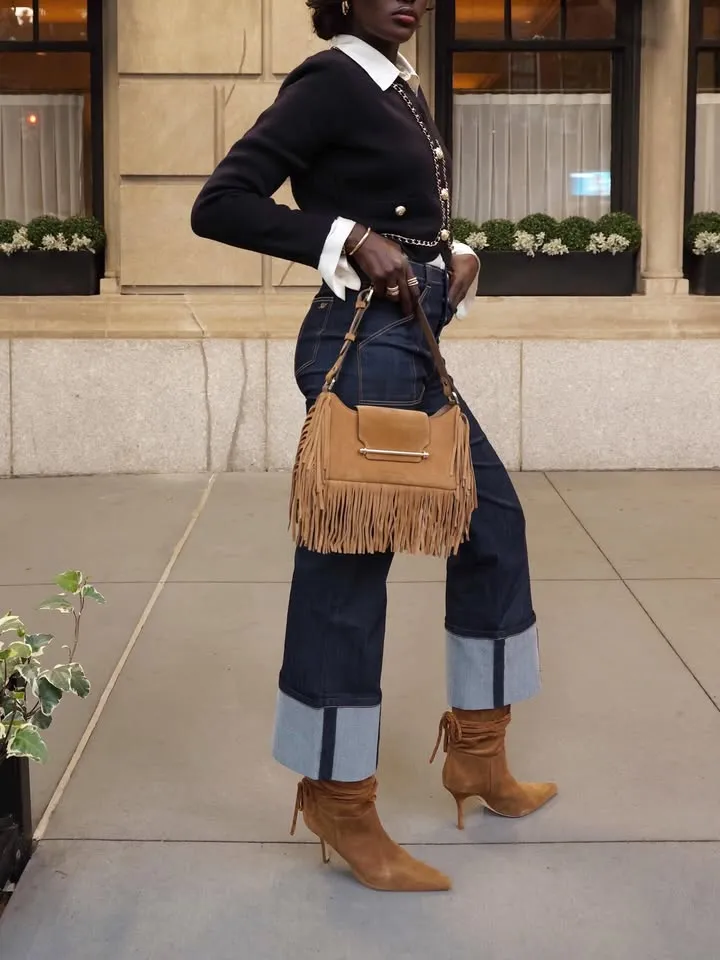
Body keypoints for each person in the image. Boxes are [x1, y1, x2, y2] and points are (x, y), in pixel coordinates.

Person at [191, 0, 556, 893]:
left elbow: (399, 210)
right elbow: (221, 204)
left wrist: (453, 255)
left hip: (412, 344)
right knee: (347, 574)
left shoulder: (399, 86)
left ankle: (477, 756)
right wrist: (344, 238)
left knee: (493, 527)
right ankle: (340, 797)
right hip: (361, 347)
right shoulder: (332, 79)